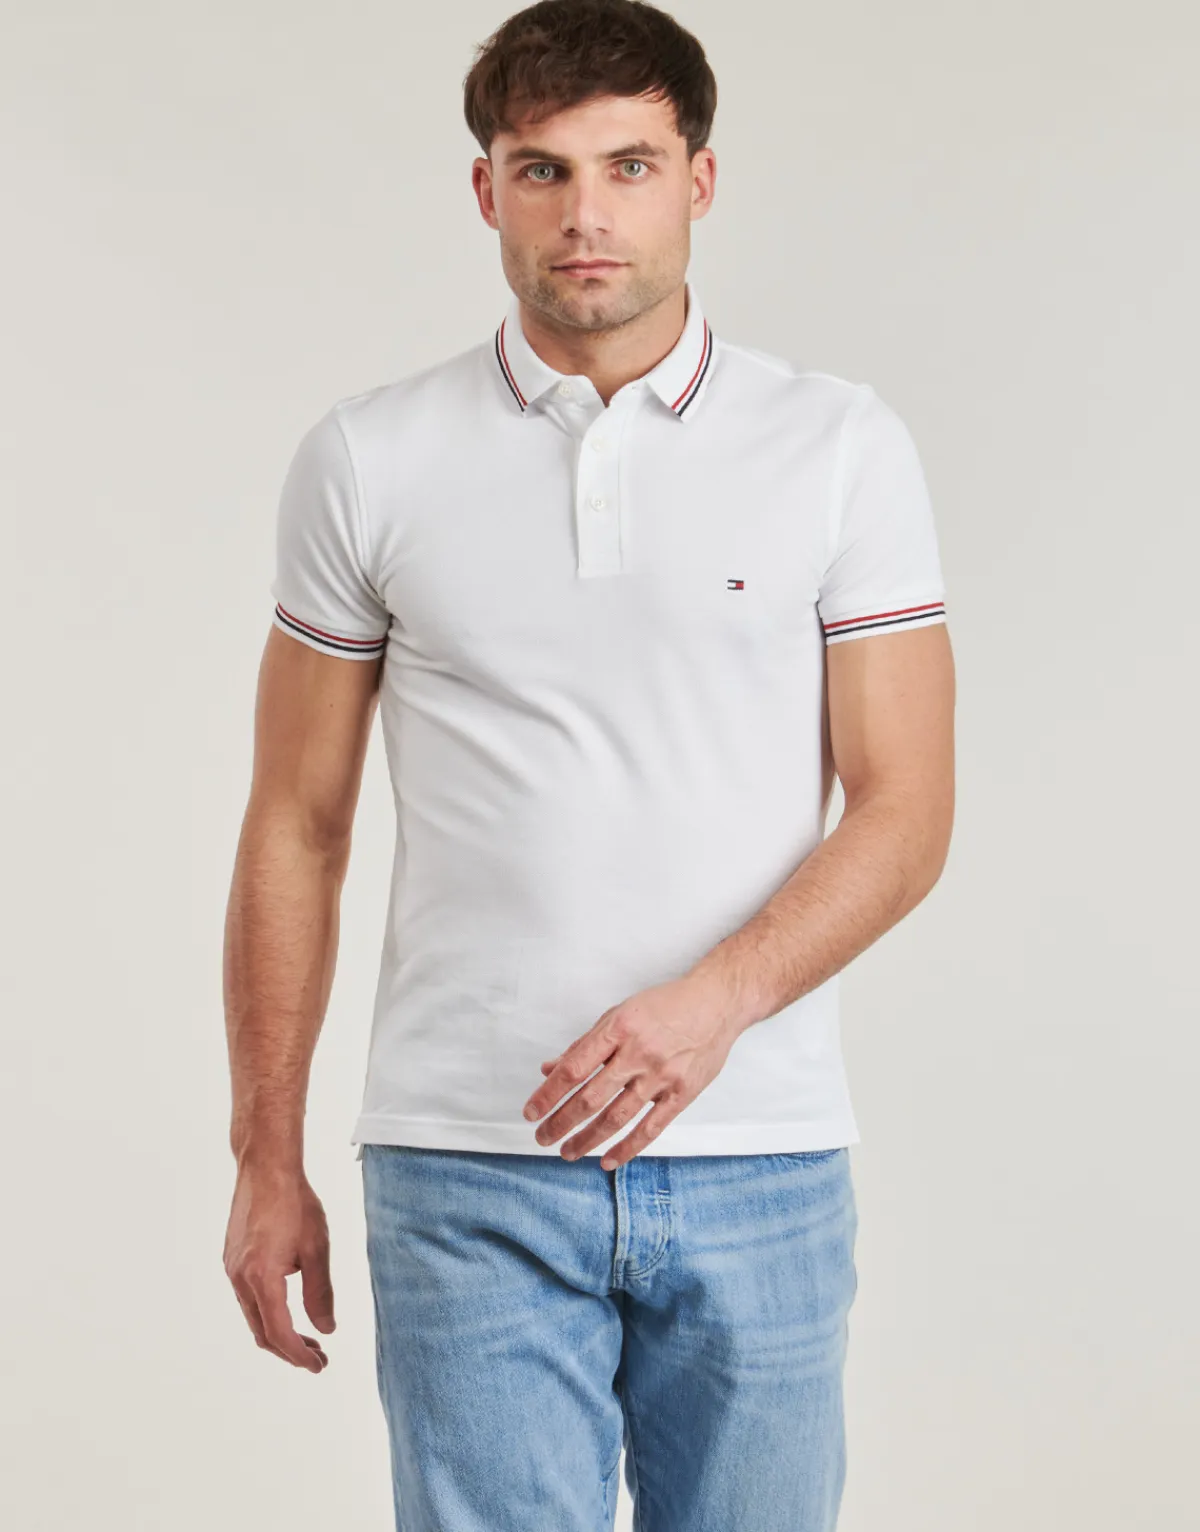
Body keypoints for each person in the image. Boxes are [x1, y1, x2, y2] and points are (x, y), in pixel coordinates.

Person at [221, 1, 956, 1527]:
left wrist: (715, 1007)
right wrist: (263, 1153)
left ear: (701, 179)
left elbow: (905, 809)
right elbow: (297, 820)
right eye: (542, 170)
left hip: (756, 1151)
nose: (587, 215)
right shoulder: (370, 458)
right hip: (466, 1160)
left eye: (630, 165)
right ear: (486, 190)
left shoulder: (838, 448)